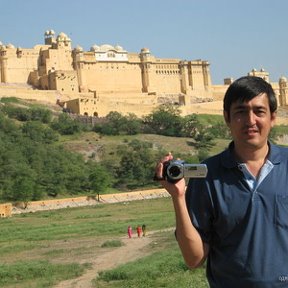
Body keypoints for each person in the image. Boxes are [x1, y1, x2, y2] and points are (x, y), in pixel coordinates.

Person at [155, 76, 288, 287]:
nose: (250, 120)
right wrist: (178, 197)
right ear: (227, 117)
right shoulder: (208, 176)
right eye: (241, 112)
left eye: (259, 111)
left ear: (273, 117)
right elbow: (194, 259)